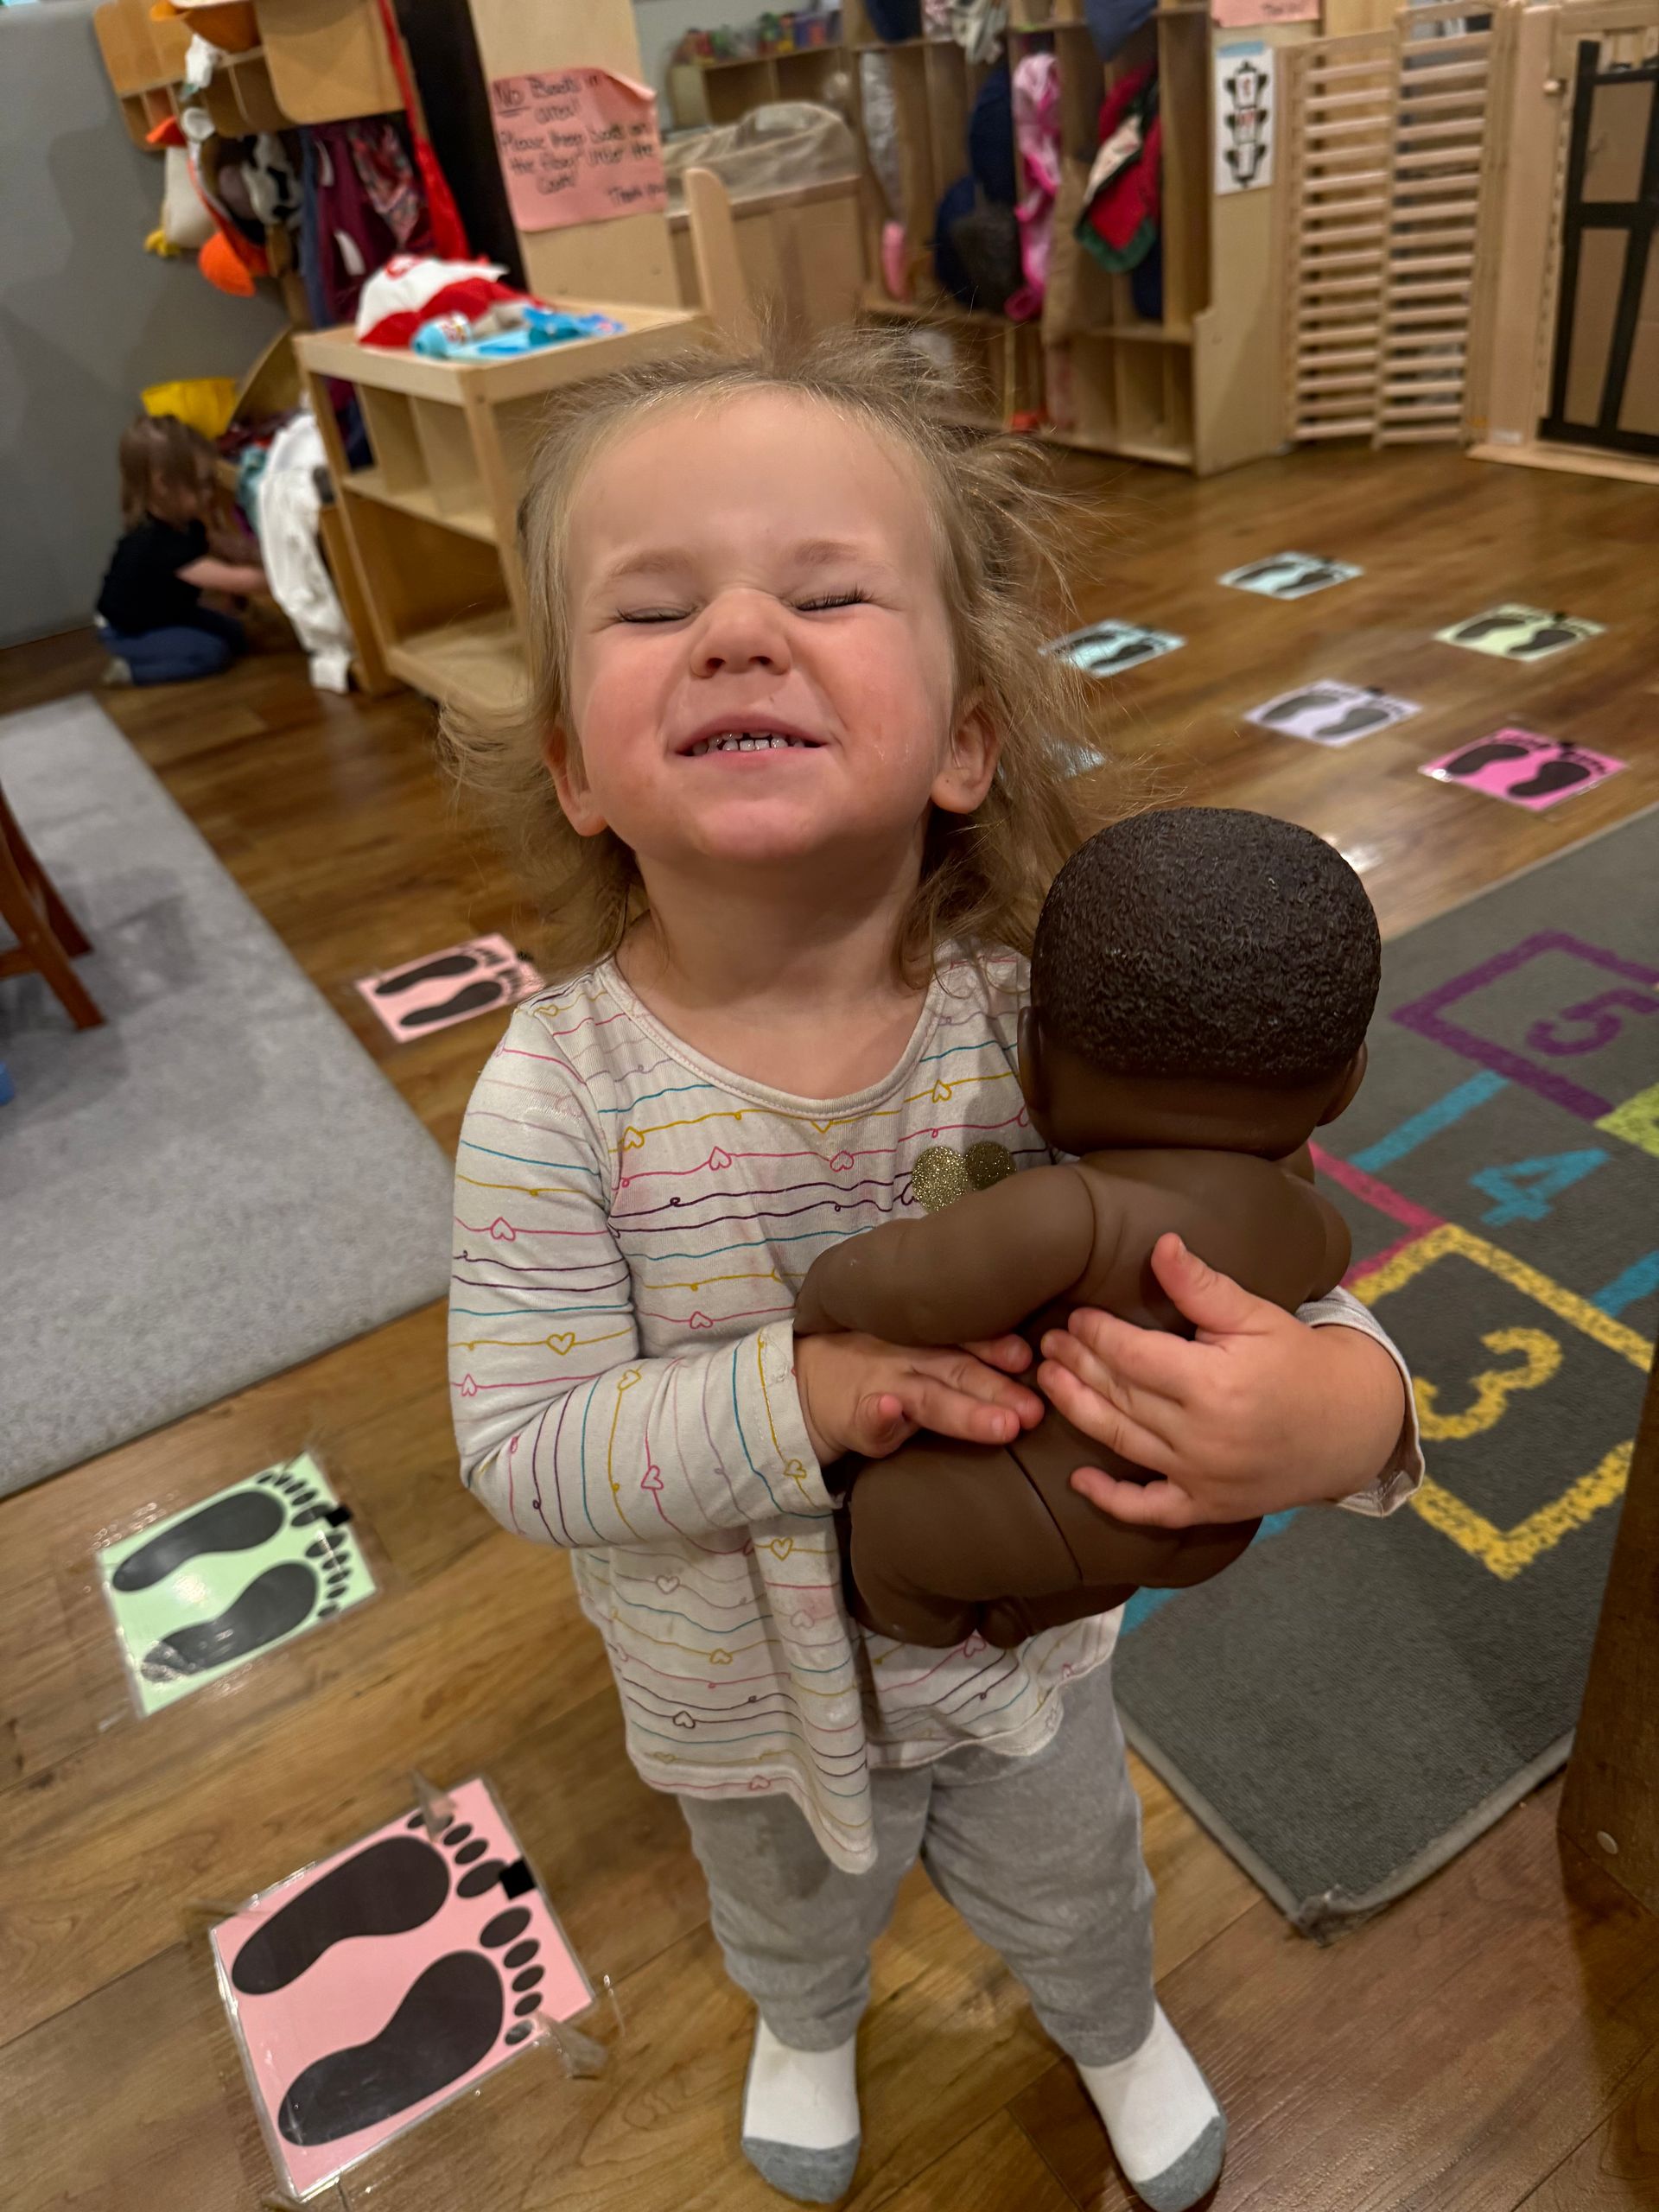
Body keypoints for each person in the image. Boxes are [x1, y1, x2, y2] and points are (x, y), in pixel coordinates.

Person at [443, 331, 1422, 2212]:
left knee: (1077, 1880)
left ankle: (1114, 2020)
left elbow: (1252, 1250)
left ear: (969, 731)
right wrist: (810, 1395)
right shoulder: (553, 1094)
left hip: (1029, 1665)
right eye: (654, 607)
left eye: (823, 588)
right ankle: (806, 2019)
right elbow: (524, 1442)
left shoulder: (1047, 1026)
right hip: (733, 1695)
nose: (739, 628)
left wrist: (1338, 1405)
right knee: (788, 1907)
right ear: (573, 761)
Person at [96, 413, 267, 686]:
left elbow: (231, 548)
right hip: (131, 630)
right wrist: (284, 575)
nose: (210, 493)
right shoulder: (156, 543)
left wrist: (258, 552)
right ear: (162, 485)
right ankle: (130, 670)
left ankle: (166, 646)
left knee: (236, 636)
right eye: (201, 484)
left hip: (170, 612)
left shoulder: (187, 524)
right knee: (211, 654)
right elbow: (240, 580)